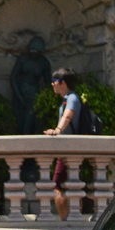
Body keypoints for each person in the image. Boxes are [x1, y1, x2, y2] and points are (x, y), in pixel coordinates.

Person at [44, 68, 81, 220]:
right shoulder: (68, 98)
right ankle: (70, 217)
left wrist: (57, 130)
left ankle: (65, 219)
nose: (52, 84)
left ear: (63, 83)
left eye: (55, 81)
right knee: (70, 186)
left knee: (57, 186)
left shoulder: (72, 98)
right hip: (69, 149)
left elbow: (68, 116)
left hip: (69, 150)